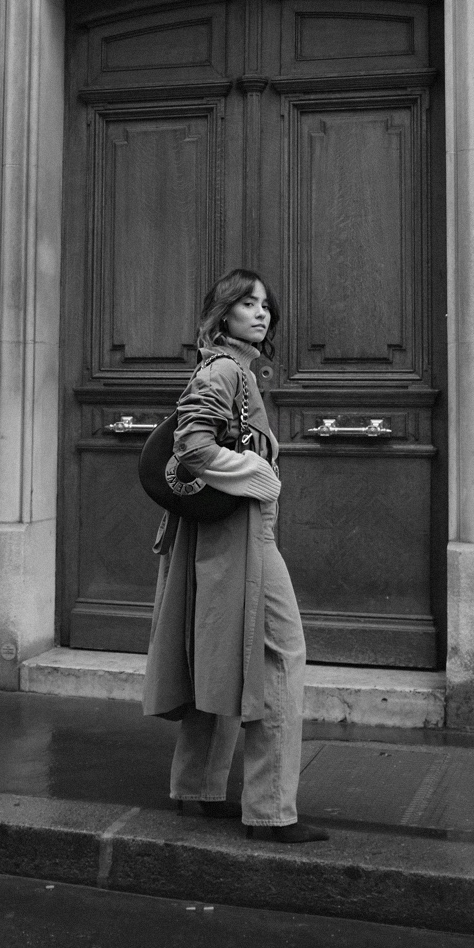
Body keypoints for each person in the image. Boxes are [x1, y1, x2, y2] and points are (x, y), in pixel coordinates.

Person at [142, 268, 328, 844]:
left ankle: (196, 787)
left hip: (220, 534)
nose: (261, 312)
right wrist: (259, 475)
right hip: (245, 534)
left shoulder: (234, 369)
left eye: (265, 305)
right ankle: (271, 811)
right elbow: (192, 444)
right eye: (247, 303)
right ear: (222, 313)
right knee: (279, 654)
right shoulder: (226, 370)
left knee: (217, 651)